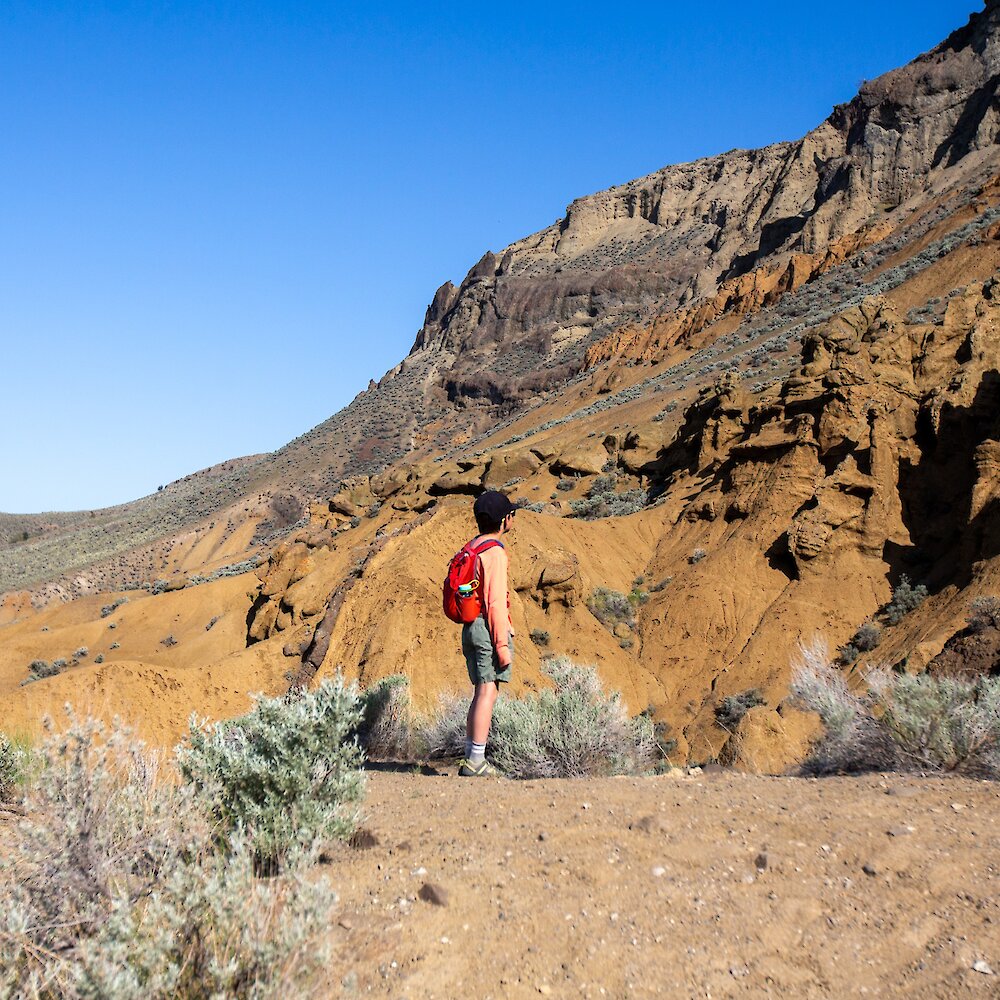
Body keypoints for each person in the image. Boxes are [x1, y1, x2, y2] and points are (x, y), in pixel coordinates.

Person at [459, 489, 516, 777]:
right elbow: (494, 602)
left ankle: (472, 756)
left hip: (471, 628)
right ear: (504, 519)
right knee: (487, 691)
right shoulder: (494, 552)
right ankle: (476, 762)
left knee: (480, 692)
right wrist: (502, 646)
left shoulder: (472, 547)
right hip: (487, 628)